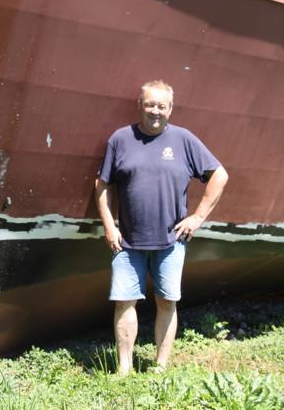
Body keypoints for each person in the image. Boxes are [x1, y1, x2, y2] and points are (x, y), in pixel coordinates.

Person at [94, 80, 229, 375]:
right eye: (150, 104)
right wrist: (109, 225)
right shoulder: (120, 139)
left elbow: (219, 175)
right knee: (124, 301)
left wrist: (198, 217)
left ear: (170, 109)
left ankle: (160, 366)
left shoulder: (184, 139)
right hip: (126, 241)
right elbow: (103, 185)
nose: (156, 111)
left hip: (171, 241)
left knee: (167, 301)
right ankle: (124, 368)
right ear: (140, 105)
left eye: (162, 106)